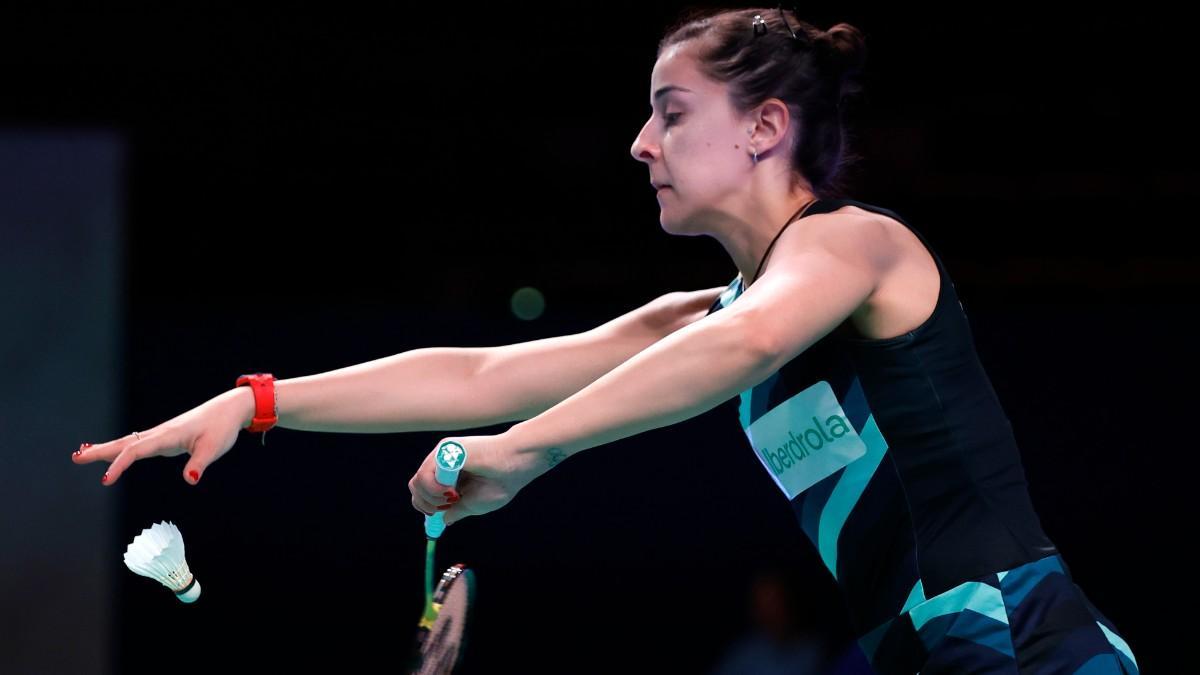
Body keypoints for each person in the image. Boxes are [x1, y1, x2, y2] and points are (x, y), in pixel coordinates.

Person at [73, 6, 1139, 673]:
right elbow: (484, 371)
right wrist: (259, 401)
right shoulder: (707, 312)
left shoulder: (858, 248)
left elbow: (739, 350)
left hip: (1019, 638)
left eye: (670, 112)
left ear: (766, 126)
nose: (639, 144)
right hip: (914, 653)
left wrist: (526, 450)